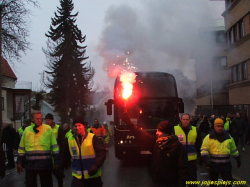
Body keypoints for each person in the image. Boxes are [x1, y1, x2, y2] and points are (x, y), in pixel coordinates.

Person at [122, 113, 188, 187]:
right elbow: (140, 135)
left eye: (159, 131)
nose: (156, 133)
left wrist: (181, 184)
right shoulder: (155, 142)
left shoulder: (177, 147)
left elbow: (183, 169)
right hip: (157, 182)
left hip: (172, 183)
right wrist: (129, 123)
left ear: (166, 133)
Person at [17, 110, 60, 187]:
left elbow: (54, 146)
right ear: (32, 119)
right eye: (36, 118)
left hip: (45, 164)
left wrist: (56, 161)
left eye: (40, 118)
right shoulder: (27, 130)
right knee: (30, 184)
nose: (39, 120)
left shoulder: (48, 129)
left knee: (47, 184)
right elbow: (21, 148)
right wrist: (19, 162)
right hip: (31, 164)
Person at [62, 116, 106, 187]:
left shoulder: (92, 138)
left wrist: (96, 165)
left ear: (84, 126)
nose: (77, 128)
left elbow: (102, 153)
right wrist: (60, 167)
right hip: (77, 178)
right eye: (75, 126)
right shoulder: (70, 140)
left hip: (93, 177)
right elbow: (64, 155)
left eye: (79, 125)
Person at [201, 118, 241, 187]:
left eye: (221, 126)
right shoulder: (209, 137)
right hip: (213, 166)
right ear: (214, 126)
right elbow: (204, 149)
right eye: (218, 126)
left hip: (226, 166)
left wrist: (238, 158)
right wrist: (206, 159)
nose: (220, 128)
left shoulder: (229, 138)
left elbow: (233, 150)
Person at [174, 113, 202, 187]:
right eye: (184, 119)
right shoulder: (175, 129)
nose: (185, 121)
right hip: (179, 161)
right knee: (180, 182)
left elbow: (199, 145)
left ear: (190, 120)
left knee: (192, 183)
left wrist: (201, 157)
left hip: (191, 161)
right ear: (181, 120)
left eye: (187, 119)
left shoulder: (195, 130)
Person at [45, 113, 64, 187]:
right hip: (48, 154)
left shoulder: (59, 128)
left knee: (58, 174)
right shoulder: (45, 129)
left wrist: (62, 156)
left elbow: (62, 143)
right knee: (48, 176)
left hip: (57, 154)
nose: (47, 122)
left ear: (52, 120)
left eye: (48, 120)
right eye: (46, 120)